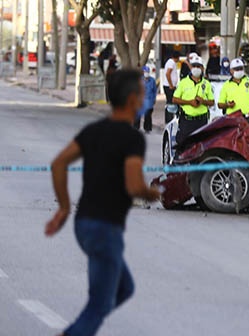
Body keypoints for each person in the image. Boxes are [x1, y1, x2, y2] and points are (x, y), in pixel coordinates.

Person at [45, 69, 161, 336]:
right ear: (133, 100)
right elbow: (133, 185)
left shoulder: (94, 131)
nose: (146, 99)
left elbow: (59, 163)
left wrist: (64, 207)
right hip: (104, 227)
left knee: (123, 288)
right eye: (143, 94)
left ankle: (78, 327)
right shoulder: (132, 139)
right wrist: (151, 193)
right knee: (99, 304)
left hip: (84, 223)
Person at [172, 56, 215, 145]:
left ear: (202, 68)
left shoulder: (206, 84)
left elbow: (212, 102)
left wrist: (203, 101)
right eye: (194, 66)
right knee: (183, 145)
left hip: (201, 121)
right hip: (187, 121)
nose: (196, 68)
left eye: (198, 66)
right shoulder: (183, 82)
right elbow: (174, 99)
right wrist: (189, 102)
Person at [134, 66, 157, 133]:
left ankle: (147, 128)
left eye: (147, 72)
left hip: (149, 100)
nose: (146, 73)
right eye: (145, 72)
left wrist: (154, 99)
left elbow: (154, 91)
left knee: (148, 115)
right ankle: (136, 128)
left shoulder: (152, 80)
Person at [162, 51, 181, 123]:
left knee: (172, 102)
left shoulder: (171, 62)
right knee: (171, 103)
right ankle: (169, 119)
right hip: (169, 86)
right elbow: (168, 74)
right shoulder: (171, 63)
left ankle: (170, 118)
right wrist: (171, 85)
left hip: (171, 86)